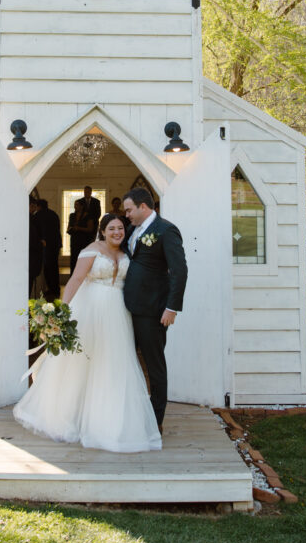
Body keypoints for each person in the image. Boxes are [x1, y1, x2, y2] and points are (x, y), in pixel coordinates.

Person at [13, 213, 162, 452]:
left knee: (113, 364)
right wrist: (61, 311)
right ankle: (70, 418)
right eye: (112, 228)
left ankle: (110, 421)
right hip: (91, 312)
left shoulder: (127, 253)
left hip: (119, 314)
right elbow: (75, 280)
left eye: (121, 228)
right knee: (83, 363)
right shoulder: (91, 250)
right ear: (102, 231)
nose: (117, 232)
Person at [123, 187, 187, 432]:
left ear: (143, 206)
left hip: (153, 309)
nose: (126, 215)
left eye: (129, 210)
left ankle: (155, 420)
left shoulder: (166, 230)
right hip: (129, 307)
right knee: (129, 361)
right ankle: (136, 412)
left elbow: (179, 271)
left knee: (154, 365)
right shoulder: (132, 230)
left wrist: (172, 307)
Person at [34, 198, 62, 299]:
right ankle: (56, 289)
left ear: (38, 206)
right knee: (54, 267)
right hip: (55, 244)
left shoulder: (38, 215)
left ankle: (50, 288)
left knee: (47, 268)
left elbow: (38, 231)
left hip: (46, 245)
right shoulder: (54, 214)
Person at [66, 198, 94, 271]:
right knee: (74, 259)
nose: (75, 206)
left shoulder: (88, 215)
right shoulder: (72, 215)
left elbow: (90, 229)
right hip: (74, 239)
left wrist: (79, 228)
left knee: (84, 259)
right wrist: (71, 229)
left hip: (84, 240)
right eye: (74, 204)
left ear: (82, 206)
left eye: (77, 205)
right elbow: (68, 227)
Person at [28, 196, 43, 297]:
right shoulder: (29, 219)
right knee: (28, 282)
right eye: (32, 206)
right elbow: (32, 239)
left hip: (31, 255)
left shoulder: (32, 218)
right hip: (31, 256)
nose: (34, 209)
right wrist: (41, 243)